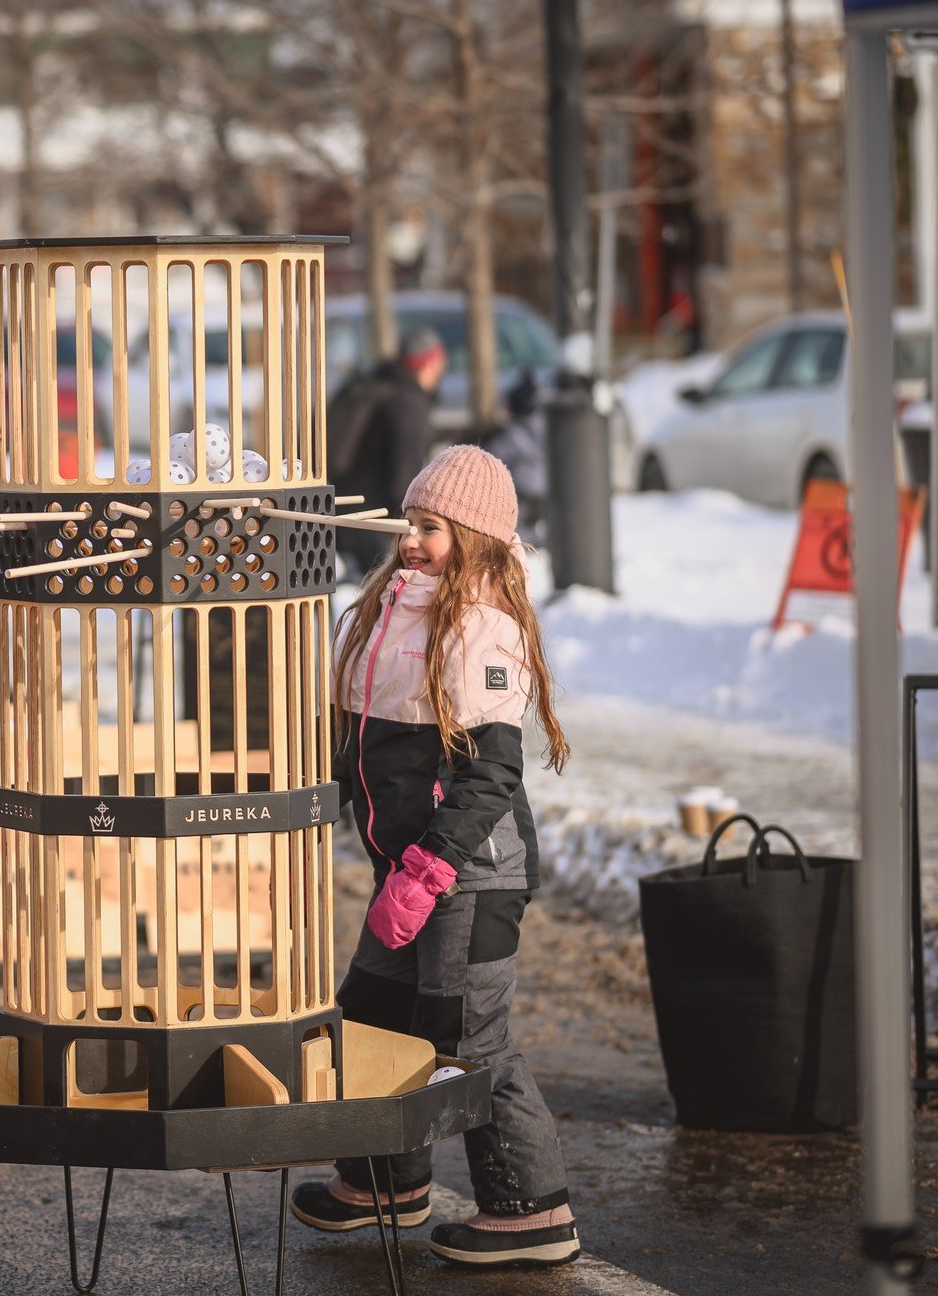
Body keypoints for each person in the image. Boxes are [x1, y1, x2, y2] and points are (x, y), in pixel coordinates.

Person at [295, 445, 581, 1272]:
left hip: (470, 870)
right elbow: (353, 745)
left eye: (434, 528)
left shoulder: (480, 625)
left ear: (479, 540)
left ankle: (532, 1206)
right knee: (373, 1013)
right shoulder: (391, 611)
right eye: (411, 523)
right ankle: (386, 1180)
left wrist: (427, 871)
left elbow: (491, 772)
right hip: (407, 868)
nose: (413, 540)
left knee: (466, 1035)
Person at [326, 326, 444, 581]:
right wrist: (410, 525)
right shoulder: (409, 403)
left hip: (343, 510)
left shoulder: (372, 387)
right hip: (375, 520)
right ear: (431, 364)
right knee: (388, 597)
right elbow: (405, 476)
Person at [483, 374, 547, 546]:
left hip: (523, 494)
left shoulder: (514, 434)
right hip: (547, 492)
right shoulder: (548, 426)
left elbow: (491, 456)